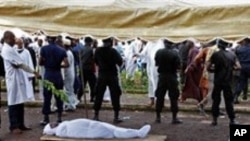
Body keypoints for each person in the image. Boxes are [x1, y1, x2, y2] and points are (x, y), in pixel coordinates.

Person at [1, 31, 39, 134]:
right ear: (8, 38)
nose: (15, 41)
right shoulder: (6, 49)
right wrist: (33, 72)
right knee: (13, 101)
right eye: (13, 39)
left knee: (20, 101)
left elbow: (19, 63)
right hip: (13, 79)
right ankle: (13, 126)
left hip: (18, 78)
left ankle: (20, 124)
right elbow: (19, 64)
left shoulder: (11, 49)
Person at [207, 39, 241, 126]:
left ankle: (214, 120)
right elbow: (238, 67)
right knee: (229, 101)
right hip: (228, 81)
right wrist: (230, 69)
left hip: (218, 81)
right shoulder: (232, 55)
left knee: (216, 100)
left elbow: (208, 67)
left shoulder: (215, 55)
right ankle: (232, 120)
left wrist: (214, 70)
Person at [39, 35, 69, 126]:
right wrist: (58, 66)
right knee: (59, 96)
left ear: (48, 39)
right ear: (55, 39)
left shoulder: (44, 49)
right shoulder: (62, 50)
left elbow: (40, 62)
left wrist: (48, 64)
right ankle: (59, 117)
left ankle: (46, 118)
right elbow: (67, 64)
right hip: (57, 74)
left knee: (47, 97)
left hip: (48, 74)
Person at [93, 37, 123, 123]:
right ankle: (116, 116)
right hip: (112, 75)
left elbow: (95, 61)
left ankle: (96, 115)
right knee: (115, 95)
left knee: (98, 95)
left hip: (102, 74)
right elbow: (120, 62)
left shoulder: (98, 50)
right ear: (110, 42)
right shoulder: (113, 51)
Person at [154, 39, 182, 124]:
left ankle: (158, 117)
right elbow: (178, 66)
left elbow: (156, 63)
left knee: (159, 96)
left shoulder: (159, 52)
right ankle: (174, 118)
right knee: (173, 97)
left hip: (162, 76)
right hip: (172, 77)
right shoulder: (175, 53)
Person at [43, 118, 151, 139]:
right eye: (52, 125)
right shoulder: (62, 129)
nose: (54, 123)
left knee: (114, 130)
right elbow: (78, 129)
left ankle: (136, 132)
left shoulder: (63, 127)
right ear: (52, 130)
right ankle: (138, 133)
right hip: (91, 129)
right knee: (114, 131)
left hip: (91, 126)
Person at [77, 36, 97, 102]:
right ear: (90, 42)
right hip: (89, 69)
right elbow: (94, 59)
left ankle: (78, 97)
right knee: (93, 84)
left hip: (82, 69)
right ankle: (92, 97)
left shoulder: (81, 49)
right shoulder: (91, 50)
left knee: (82, 84)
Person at [61, 38, 79, 111]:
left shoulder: (67, 53)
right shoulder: (69, 52)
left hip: (68, 73)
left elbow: (66, 64)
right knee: (69, 89)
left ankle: (71, 105)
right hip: (70, 72)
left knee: (68, 90)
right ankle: (71, 103)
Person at [233, 37, 250, 104]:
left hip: (241, 67)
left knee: (241, 83)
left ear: (244, 41)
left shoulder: (238, 49)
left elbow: (234, 57)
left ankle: (235, 97)